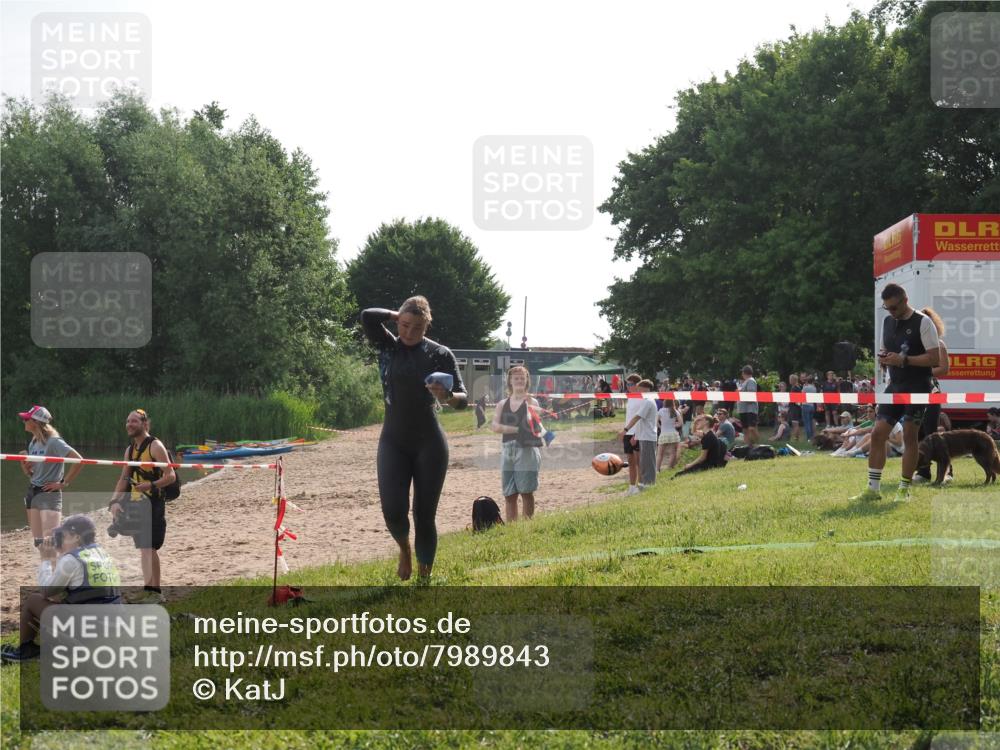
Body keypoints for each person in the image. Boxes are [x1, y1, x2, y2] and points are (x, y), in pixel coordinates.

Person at [361, 297, 467, 580]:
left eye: (417, 328)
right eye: (405, 325)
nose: (409, 333)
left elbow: (463, 400)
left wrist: (447, 396)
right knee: (393, 512)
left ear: (427, 326)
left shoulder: (439, 353)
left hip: (429, 443)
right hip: (393, 441)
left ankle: (424, 578)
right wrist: (398, 314)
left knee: (424, 515)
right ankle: (404, 550)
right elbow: (367, 316)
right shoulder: (388, 344)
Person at [850, 283, 939, 503]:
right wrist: (884, 359)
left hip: (918, 387)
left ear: (905, 300)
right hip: (895, 386)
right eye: (887, 308)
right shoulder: (887, 321)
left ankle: (903, 489)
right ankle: (873, 489)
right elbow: (883, 349)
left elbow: (934, 359)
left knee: (910, 436)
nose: (891, 312)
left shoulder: (924, 322)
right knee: (878, 433)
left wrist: (904, 360)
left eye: (894, 308)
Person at [1, 515, 121, 663]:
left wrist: (46, 559)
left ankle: (26, 651)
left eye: (62, 536)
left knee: (34, 600)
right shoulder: (101, 554)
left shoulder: (71, 560)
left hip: (89, 628)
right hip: (111, 628)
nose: (59, 539)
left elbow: (46, 591)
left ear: (76, 537)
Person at [108, 409, 176, 603]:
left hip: (153, 502)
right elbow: (123, 478)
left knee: (148, 547)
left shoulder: (155, 446)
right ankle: (154, 591)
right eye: (128, 421)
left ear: (144, 424)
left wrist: (151, 485)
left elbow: (170, 476)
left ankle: (152, 591)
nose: (130, 424)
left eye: (134, 421)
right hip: (136, 503)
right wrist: (114, 501)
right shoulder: (129, 450)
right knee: (146, 548)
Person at [17, 405, 83, 555]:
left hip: (49, 494)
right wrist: (24, 463)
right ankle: (48, 574)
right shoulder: (33, 442)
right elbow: (31, 474)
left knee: (51, 541)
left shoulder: (54, 441)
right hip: (33, 492)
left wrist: (63, 483)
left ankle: (60, 572)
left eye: (26, 419)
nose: (24, 421)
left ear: (36, 422)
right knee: (39, 542)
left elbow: (79, 460)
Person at [492, 366, 543, 522]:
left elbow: (537, 424)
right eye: (516, 378)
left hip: (526, 449)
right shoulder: (502, 403)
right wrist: (516, 428)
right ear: (510, 381)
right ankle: (512, 528)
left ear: (527, 380)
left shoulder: (532, 401)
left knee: (526, 492)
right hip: (508, 449)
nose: (519, 381)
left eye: (522, 378)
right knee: (509, 493)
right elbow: (495, 427)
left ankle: (527, 526)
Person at [618, 376, 657, 494]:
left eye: (631, 384)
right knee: (636, 462)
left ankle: (644, 486)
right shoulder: (634, 398)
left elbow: (638, 417)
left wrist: (629, 431)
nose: (628, 387)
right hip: (639, 434)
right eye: (627, 384)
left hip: (643, 435)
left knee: (644, 463)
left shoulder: (646, 400)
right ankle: (635, 487)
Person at [917, 307, 950, 442]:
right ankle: (921, 462)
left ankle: (942, 460)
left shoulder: (939, 344)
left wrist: (921, 372)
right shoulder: (914, 345)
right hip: (913, 389)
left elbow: (944, 368)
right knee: (914, 430)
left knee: (930, 430)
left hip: (932, 391)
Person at [656, 399, 682, 472]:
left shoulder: (661, 410)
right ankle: (669, 468)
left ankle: (657, 469)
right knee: (672, 452)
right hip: (673, 434)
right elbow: (680, 423)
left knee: (660, 453)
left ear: (664, 403)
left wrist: (661, 427)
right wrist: (674, 425)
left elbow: (656, 422)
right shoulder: (675, 411)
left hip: (664, 433)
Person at [736, 366, 759, 446]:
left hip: (750, 409)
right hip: (743, 409)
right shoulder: (745, 382)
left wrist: (740, 393)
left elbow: (751, 396)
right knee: (745, 429)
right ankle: (747, 446)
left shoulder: (751, 381)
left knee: (751, 428)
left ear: (744, 373)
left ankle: (758, 444)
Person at [801, 375, 818, 442]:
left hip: (805, 405)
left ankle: (808, 438)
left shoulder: (805, 387)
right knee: (810, 422)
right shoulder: (814, 388)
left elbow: (801, 394)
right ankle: (812, 437)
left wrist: (804, 386)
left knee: (807, 423)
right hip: (812, 406)